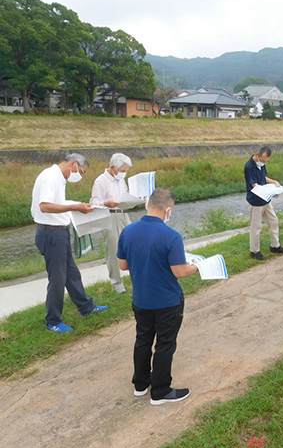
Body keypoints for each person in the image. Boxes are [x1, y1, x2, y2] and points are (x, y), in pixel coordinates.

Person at [117, 188, 199, 405]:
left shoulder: (128, 231)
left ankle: (141, 384)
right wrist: (198, 266)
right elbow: (180, 272)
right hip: (167, 301)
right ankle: (161, 391)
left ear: (147, 204)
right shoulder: (171, 236)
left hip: (141, 299)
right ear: (168, 210)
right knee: (165, 344)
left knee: (142, 340)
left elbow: (123, 265)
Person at [31, 153, 109, 334]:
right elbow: (45, 206)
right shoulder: (50, 177)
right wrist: (75, 207)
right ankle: (53, 321)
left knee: (71, 273)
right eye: (81, 172)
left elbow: (58, 203)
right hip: (50, 234)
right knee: (58, 279)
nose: (80, 176)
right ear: (73, 164)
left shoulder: (59, 178)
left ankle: (86, 308)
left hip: (60, 232)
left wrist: (78, 204)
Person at [90, 153, 133, 294]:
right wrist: (105, 203)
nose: (124, 174)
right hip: (109, 216)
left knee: (132, 244)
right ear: (113, 167)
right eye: (122, 171)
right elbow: (94, 202)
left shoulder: (120, 180)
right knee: (113, 250)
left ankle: (135, 276)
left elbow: (125, 194)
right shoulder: (101, 181)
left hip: (123, 214)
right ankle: (117, 283)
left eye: (126, 171)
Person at [245, 146, 283, 260]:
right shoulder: (249, 167)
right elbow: (256, 186)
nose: (264, 162)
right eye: (263, 160)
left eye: (266, 161)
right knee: (256, 226)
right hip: (255, 201)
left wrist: (274, 182)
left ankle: (275, 246)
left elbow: (263, 178)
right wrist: (272, 193)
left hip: (266, 200)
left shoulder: (261, 165)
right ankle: (254, 251)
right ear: (257, 155)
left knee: (273, 221)